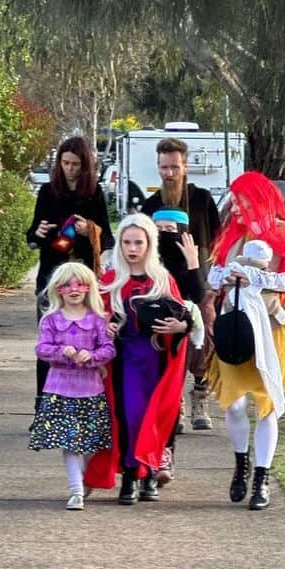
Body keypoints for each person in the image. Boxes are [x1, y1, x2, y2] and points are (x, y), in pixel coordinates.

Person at [207, 171, 285, 511]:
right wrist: (226, 276)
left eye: (240, 201)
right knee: (234, 402)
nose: (234, 207)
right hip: (236, 327)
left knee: (266, 404)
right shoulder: (231, 236)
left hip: (272, 327)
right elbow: (213, 274)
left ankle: (262, 478)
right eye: (233, 201)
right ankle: (241, 464)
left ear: (258, 199)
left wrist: (256, 276)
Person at [85, 214, 195, 505]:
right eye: (126, 242)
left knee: (156, 417)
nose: (132, 248)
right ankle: (131, 475)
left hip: (158, 360)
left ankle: (149, 475)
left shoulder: (163, 279)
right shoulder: (110, 281)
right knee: (130, 416)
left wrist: (180, 327)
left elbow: (185, 318)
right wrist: (104, 326)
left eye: (138, 242)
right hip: (124, 362)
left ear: (149, 244)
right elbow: (94, 320)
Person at [26, 137, 114, 412]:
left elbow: (108, 238)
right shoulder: (48, 192)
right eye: (65, 163)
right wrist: (37, 234)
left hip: (84, 277)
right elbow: (32, 235)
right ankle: (44, 406)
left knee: (86, 342)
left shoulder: (94, 193)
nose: (70, 169)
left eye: (76, 164)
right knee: (50, 342)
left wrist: (91, 231)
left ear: (85, 165)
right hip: (52, 277)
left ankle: (83, 404)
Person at [143, 137, 221, 431]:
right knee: (167, 345)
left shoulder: (202, 199)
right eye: (164, 167)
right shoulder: (151, 204)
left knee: (205, 342)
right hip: (163, 285)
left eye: (175, 167)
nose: (169, 173)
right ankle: (173, 403)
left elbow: (218, 239)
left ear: (185, 166)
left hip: (199, 279)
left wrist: (209, 272)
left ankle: (200, 396)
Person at [28, 262, 115, 511]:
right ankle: (76, 490)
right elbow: (41, 349)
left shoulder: (98, 320)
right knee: (70, 443)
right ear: (58, 289)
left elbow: (109, 348)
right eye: (67, 285)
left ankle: (84, 476)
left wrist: (93, 356)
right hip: (60, 390)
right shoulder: (51, 320)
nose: (74, 289)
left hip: (91, 390)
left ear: (89, 288)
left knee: (89, 443)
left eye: (79, 284)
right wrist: (61, 351)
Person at [150, 207, 207, 485]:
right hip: (143, 338)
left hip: (178, 337)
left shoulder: (188, 262)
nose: (163, 234)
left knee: (169, 399)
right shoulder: (145, 259)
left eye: (170, 230)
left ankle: (165, 453)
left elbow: (196, 296)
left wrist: (193, 263)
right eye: (158, 229)